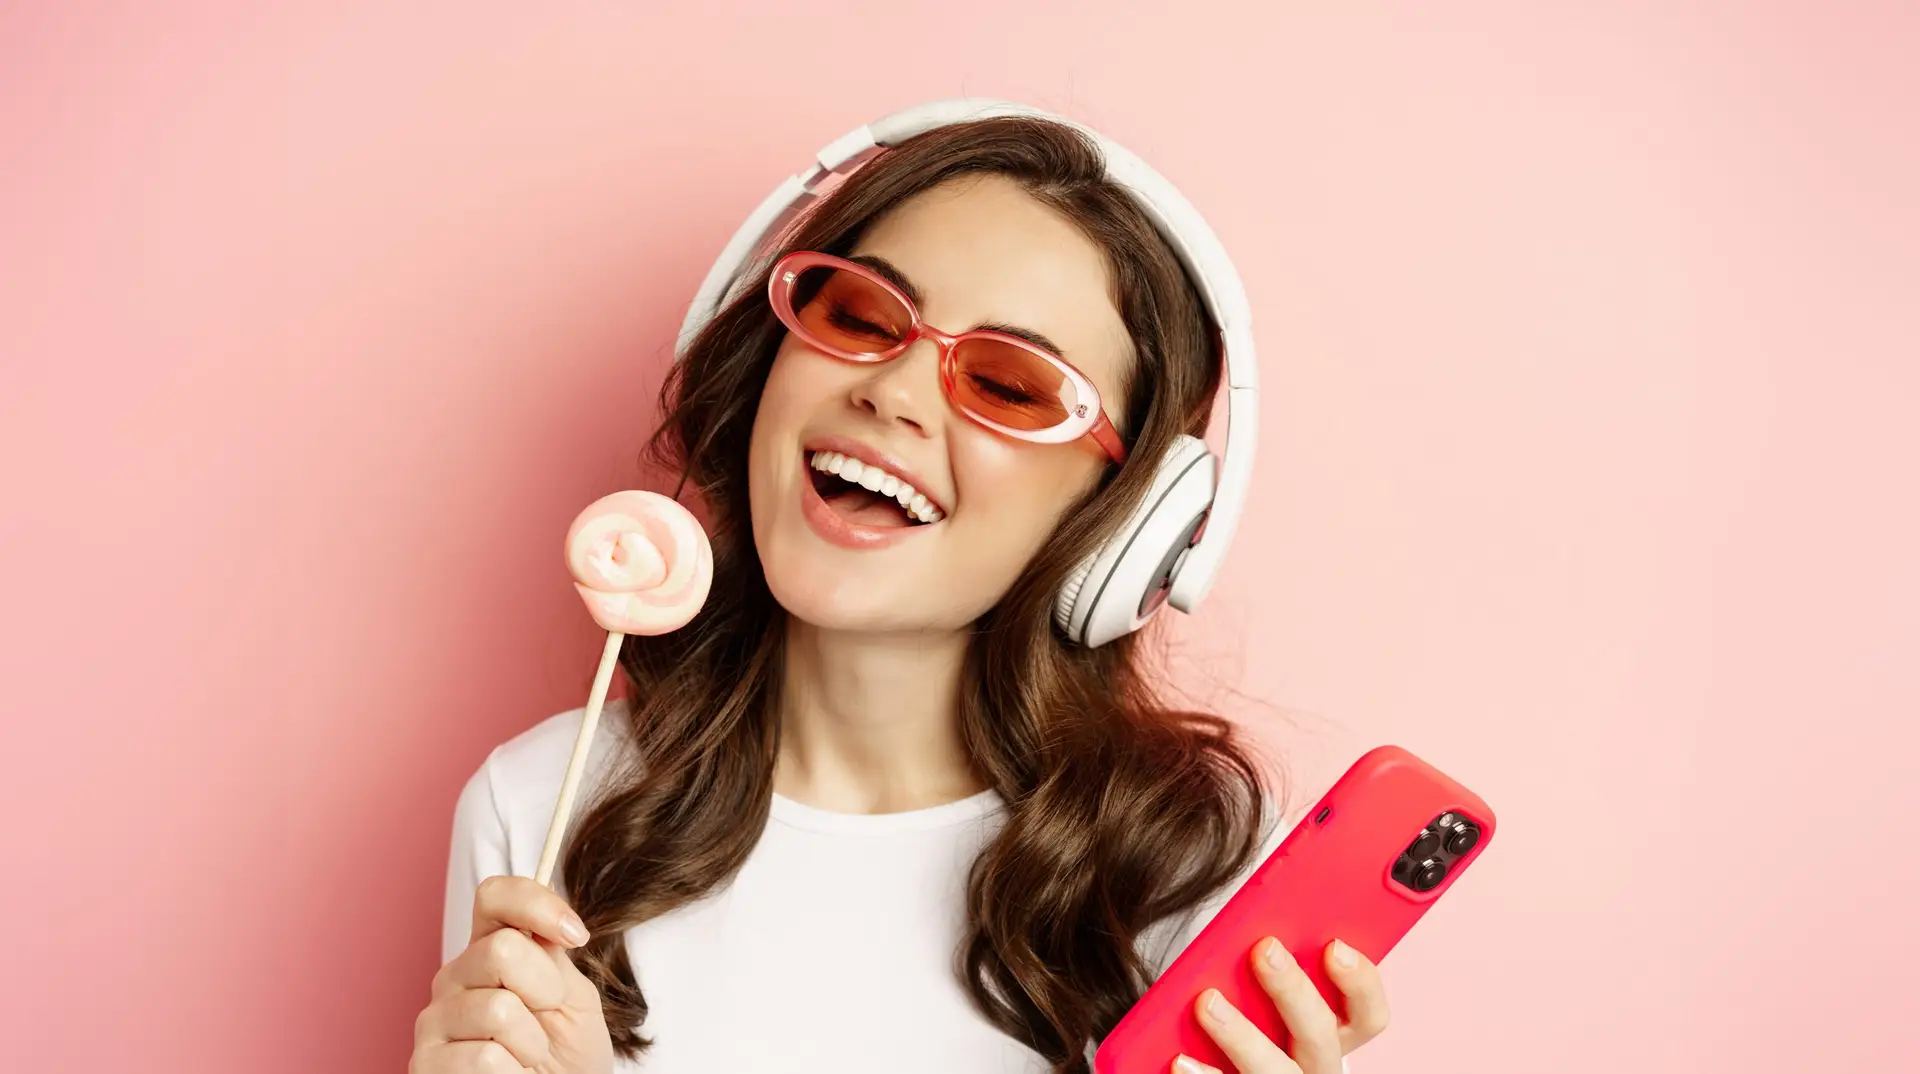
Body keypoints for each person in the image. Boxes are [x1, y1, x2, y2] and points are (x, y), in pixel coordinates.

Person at [408, 108, 1391, 1074]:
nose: (893, 392)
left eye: (1010, 385)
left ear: (1128, 522)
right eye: (860, 316)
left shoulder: (1199, 866)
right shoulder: (544, 810)